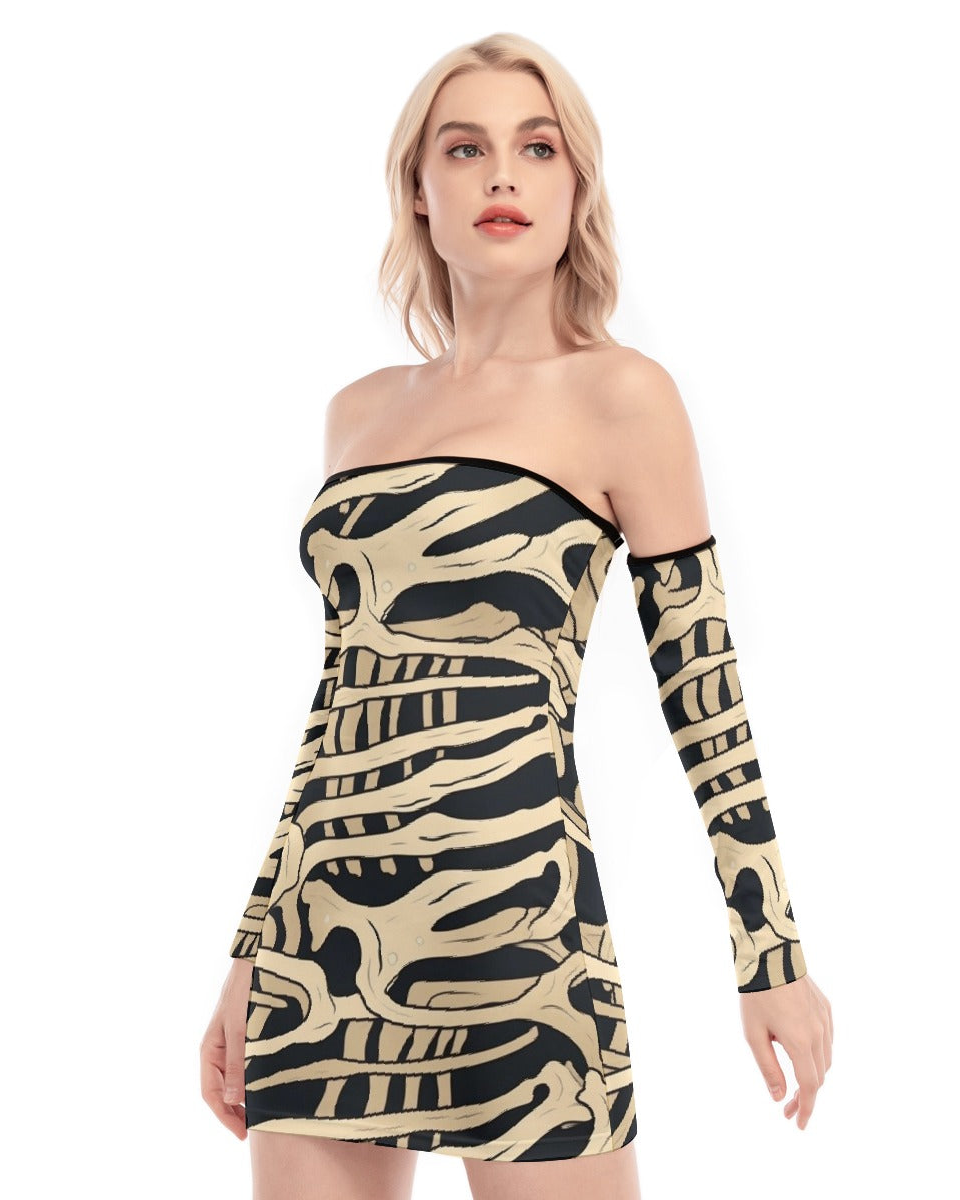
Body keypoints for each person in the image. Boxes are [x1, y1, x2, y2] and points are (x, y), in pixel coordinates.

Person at [200, 31, 833, 1200]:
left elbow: (706, 697)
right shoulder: (358, 415)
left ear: (576, 185)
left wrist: (772, 958)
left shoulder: (621, 395)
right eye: (465, 148)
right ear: (418, 189)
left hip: (521, 942)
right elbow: (342, 705)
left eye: (537, 148)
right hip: (317, 956)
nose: (502, 175)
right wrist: (250, 953)